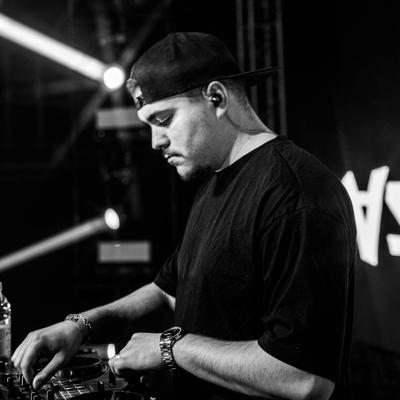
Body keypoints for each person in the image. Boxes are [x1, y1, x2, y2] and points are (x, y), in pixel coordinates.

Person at [12, 32, 356, 400]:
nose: (155, 141)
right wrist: (82, 326)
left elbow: (304, 379)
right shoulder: (214, 183)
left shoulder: (296, 193)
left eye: (163, 119)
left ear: (216, 98)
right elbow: (169, 291)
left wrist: (169, 349)